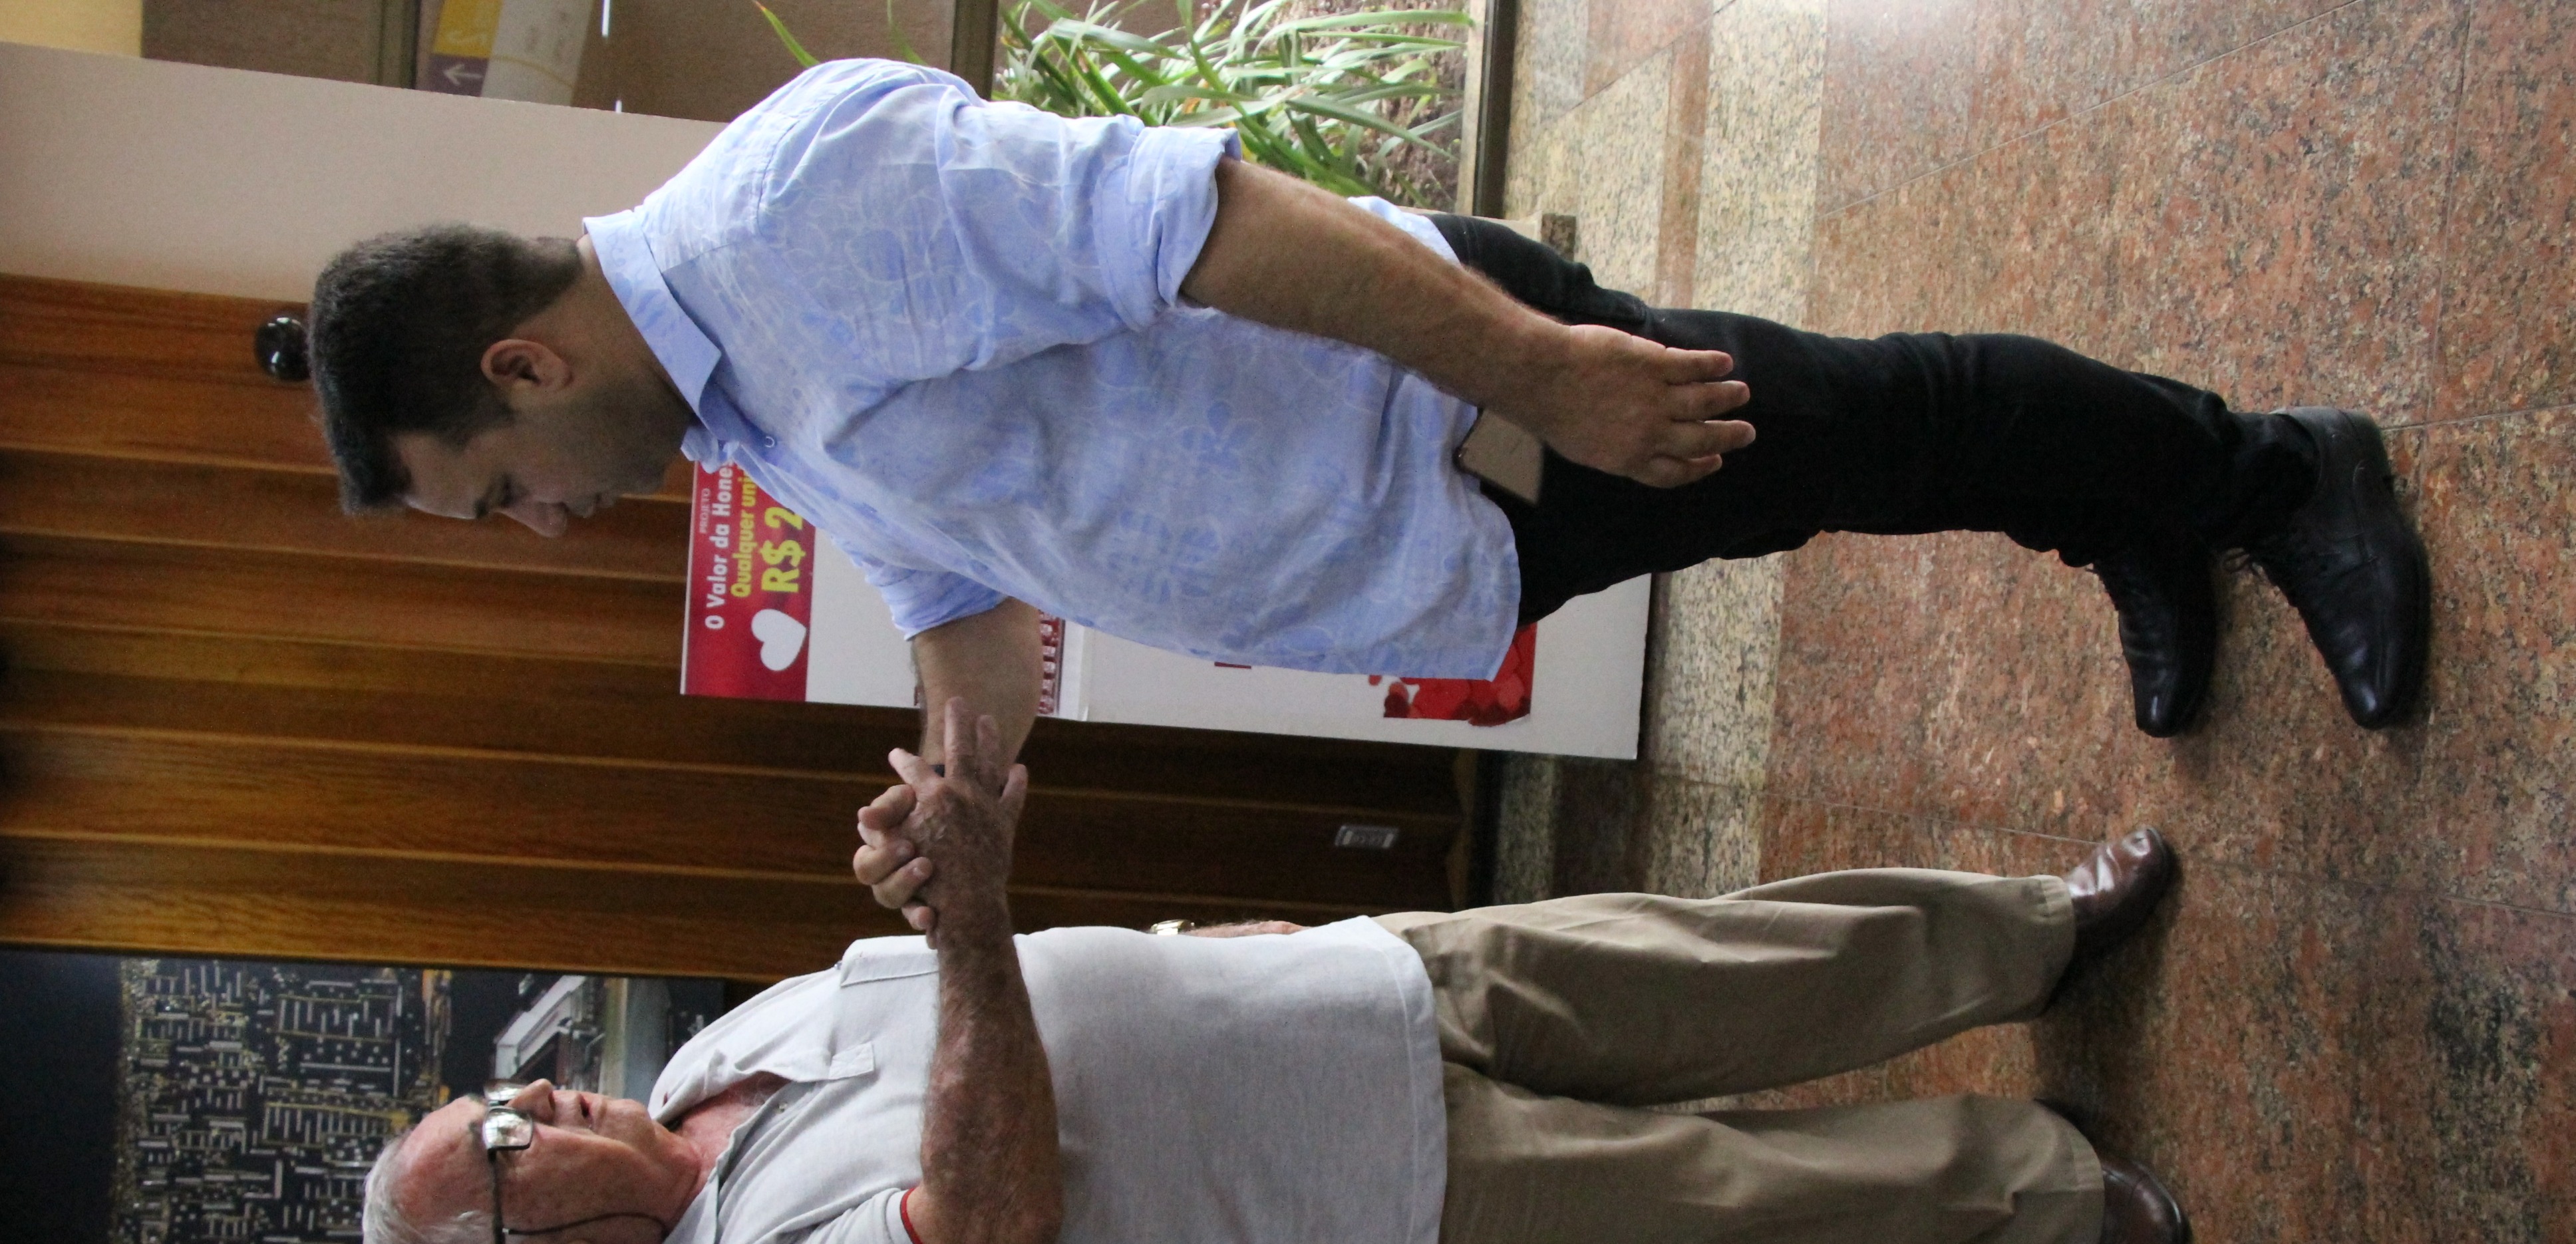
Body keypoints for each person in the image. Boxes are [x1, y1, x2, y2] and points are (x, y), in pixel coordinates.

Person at [306, 54, 2428, 794]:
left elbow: (1208, 219)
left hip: (1461, 411)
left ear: (521, 372)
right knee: (1843, 477)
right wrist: (965, 797)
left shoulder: (794, 219)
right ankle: (2130, 513)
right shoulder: (740, 411)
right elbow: (956, 591)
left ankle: (2270, 472)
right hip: (1441, 519)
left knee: (1883, 423)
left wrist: (1541, 368)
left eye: (495, 503)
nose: (542, 529)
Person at [363, 699, 2190, 1244]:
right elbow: (987, 1219)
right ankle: (2048, 1196)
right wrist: (978, 914)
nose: (546, 1098)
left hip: (1351, 991)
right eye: (507, 1137)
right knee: (1748, 1204)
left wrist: (1229, 943)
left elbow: (1024, 990)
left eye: (504, 1096)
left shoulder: (705, 1062)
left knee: (1718, 961)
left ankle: (2032, 935)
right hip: (1358, 1217)